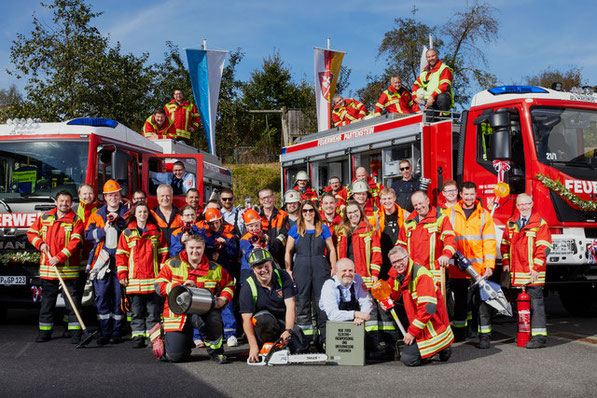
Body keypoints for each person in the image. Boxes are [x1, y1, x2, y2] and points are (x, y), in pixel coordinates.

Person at [154, 235, 234, 364]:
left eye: (198, 248)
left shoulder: (214, 268)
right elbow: (158, 285)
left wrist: (223, 299)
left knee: (214, 317)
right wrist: (179, 288)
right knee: (176, 357)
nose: (195, 251)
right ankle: (163, 336)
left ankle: (216, 351)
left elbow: (229, 284)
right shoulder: (172, 264)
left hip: (203, 311)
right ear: (185, 247)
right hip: (177, 314)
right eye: (191, 247)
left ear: (204, 249)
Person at [336, 201, 396, 352]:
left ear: (360, 211)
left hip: (365, 277)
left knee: (370, 309)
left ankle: (376, 342)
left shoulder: (369, 229)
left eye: (355, 212)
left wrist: (375, 274)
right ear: (346, 215)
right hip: (347, 278)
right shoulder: (341, 232)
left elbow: (377, 254)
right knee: (351, 308)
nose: (353, 215)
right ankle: (358, 343)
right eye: (349, 213)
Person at [27, 190, 84, 343]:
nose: (64, 203)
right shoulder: (45, 217)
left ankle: (74, 333)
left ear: (71, 203)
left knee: (72, 304)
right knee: (47, 303)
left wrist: (59, 257)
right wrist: (41, 244)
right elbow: (31, 233)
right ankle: (44, 332)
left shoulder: (76, 220)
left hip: (69, 270)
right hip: (48, 270)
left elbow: (75, 242)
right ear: (56, 202)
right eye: (61, 201)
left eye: (67, 201)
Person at [447, 182, 497, 348]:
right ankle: (460, 334)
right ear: (460, 194)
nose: (469, 197)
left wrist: (490, 265)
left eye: (472, 194)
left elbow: (489, 242)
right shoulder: (449, 213)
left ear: (476, 195)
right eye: (466, 194)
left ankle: (484, 336)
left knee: (482, 304)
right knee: (460, 304)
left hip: (479, 270)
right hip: (457, 269)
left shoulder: (484, 215)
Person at [386, 246, 453, 366]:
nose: (398, 264)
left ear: (407, 258)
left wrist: (412, 332)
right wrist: (383, 298)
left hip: (432, 327)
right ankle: (440, 349)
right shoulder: (400, 274)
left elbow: (428, 309)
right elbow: (390, 291)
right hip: (420, 325)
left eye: (400, 260)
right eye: (394, 262)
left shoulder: (421, 275)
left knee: (408, 360)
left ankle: (441, 348)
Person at [501, 193, 552, 349]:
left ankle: (539, 338)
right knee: (522, 307)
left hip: (533, 274)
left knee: (536, 305)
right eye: (520, 205)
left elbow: (544, 248)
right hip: (518, 274)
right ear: (517, 206)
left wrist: (536, 268)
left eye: (526, 204)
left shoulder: (540, 224)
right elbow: (504, 245)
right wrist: (506, 263)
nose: (523, 207)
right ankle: (524, 335)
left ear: (532, 204)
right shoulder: (511, 224)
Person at [116, 202, 168, 349]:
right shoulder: (126, 233)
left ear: (148, 214)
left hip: (153, 280)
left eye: (145, 212)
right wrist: (122, 274)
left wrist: (163, 274)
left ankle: (153, 338)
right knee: (136, 312)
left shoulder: (157, 232)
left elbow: (163, 253)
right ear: (134, 214)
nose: (142, 214)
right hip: (134, 281)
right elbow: (121, 255)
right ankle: (138, 337)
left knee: (153, 313)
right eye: (139, 212)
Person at [240, 248, 307, 363]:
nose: (264, 270)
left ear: (272, 264)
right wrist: (253, 346)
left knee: (301, 347)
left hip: (281, 322)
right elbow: (246, 320)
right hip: (262, 325)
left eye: (266, 266)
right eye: (259, 268)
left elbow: (291, 305)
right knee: (265, 319)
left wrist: (288, 331)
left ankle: (281, 345)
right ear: (253, 269)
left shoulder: (283, 276)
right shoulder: (248, 286)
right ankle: (265, 346)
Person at [285, 200, 337, 345]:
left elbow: (332, 249)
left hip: (321, 268)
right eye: (305, 211)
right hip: (301, 268)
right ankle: (304, 339)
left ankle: (326, 338)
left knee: (323, 302)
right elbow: (288, 250)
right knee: (302, 302)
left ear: (315, 212)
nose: (308, 213)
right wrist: (288, 269)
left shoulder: (323, 228)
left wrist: (333, 267)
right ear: (301, 213)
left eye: (311, 210)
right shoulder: (295, 229)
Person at [85, 180, 129, 345]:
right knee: (102, 296)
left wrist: (120, 223)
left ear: (120, 196)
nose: (113, 198)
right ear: (105, 197)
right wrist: (103, 230)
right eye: (110, 195)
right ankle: (105, 331)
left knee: (119, 297)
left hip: (120, 260)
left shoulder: (126, 213)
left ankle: (116, 332)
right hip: (102, 261)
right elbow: (88, 235)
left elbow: (132, 233)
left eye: (116, 194)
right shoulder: (97, 214)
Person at [396, 191, 456, 286]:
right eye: (415, 205)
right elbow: (400, 247)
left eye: (420, 203)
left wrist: (446, 255)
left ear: (427, 201)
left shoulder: (441, 219)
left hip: (435, 275)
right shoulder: (408, 223)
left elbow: (449, 239)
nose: (418, 207)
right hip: (414, 274)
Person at [201, 208, 239, 347]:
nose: (214, 226)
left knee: (226, 301)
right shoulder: (205, 235)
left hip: (224, 272)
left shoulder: (229, 235)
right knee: (205, 303)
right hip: (209, 274)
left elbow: (234, 254)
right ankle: (206, 335)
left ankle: (230, 333)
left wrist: (224, 247)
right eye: (211, 223)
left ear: (221, 221)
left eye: (216, 222)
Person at [319, 258, 373, 337]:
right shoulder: (329, 285)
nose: (347, 274)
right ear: (336, 273)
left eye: (351, 270)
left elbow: (366, 301)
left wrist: (361, 317)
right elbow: (333, 315)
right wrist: (356, 314)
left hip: (354, 323)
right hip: (330, 324)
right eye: (344, 271)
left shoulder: (358, 279)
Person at [377, 188, 408, 280]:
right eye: (384, 199)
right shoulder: (376, 217)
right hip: (384, 261)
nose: (387, 201)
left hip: (401, 260)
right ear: (380, 201)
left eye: (389, 198)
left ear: (395, 198)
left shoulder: (405, 215)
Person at [412, 48, 454, 113]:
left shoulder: (444, 68)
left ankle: (445, 116)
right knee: (428, 120)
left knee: (442, 97)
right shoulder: (424, 72)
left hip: (441, 100)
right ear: (426, 58)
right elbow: (416, 85)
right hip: (430, 102)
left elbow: (445, 85)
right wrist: (414, 97)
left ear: (437, 56)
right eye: (429, 57)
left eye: (433, 56)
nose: (431, 58)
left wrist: (433, 96)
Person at [239, 209, 272, 283]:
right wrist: (256, 248)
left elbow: (270, 252)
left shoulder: (263, 236)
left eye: (256, 225)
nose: (254, 228)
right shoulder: (244, 240)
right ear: (246, 227)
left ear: (260, 224)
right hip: (248, 270)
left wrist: (266, 243)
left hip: (263, 269)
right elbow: (248, 255)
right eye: (251, 226)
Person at [258, 188, 288, 265]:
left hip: (280, 258)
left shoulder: (283, 215)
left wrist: (273, 246)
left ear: (274, 197)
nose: (267, 200)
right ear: (260, 200)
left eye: (269, 197)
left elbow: (284, 234)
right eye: (264, 198)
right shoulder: (256, 217)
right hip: (261, 258)